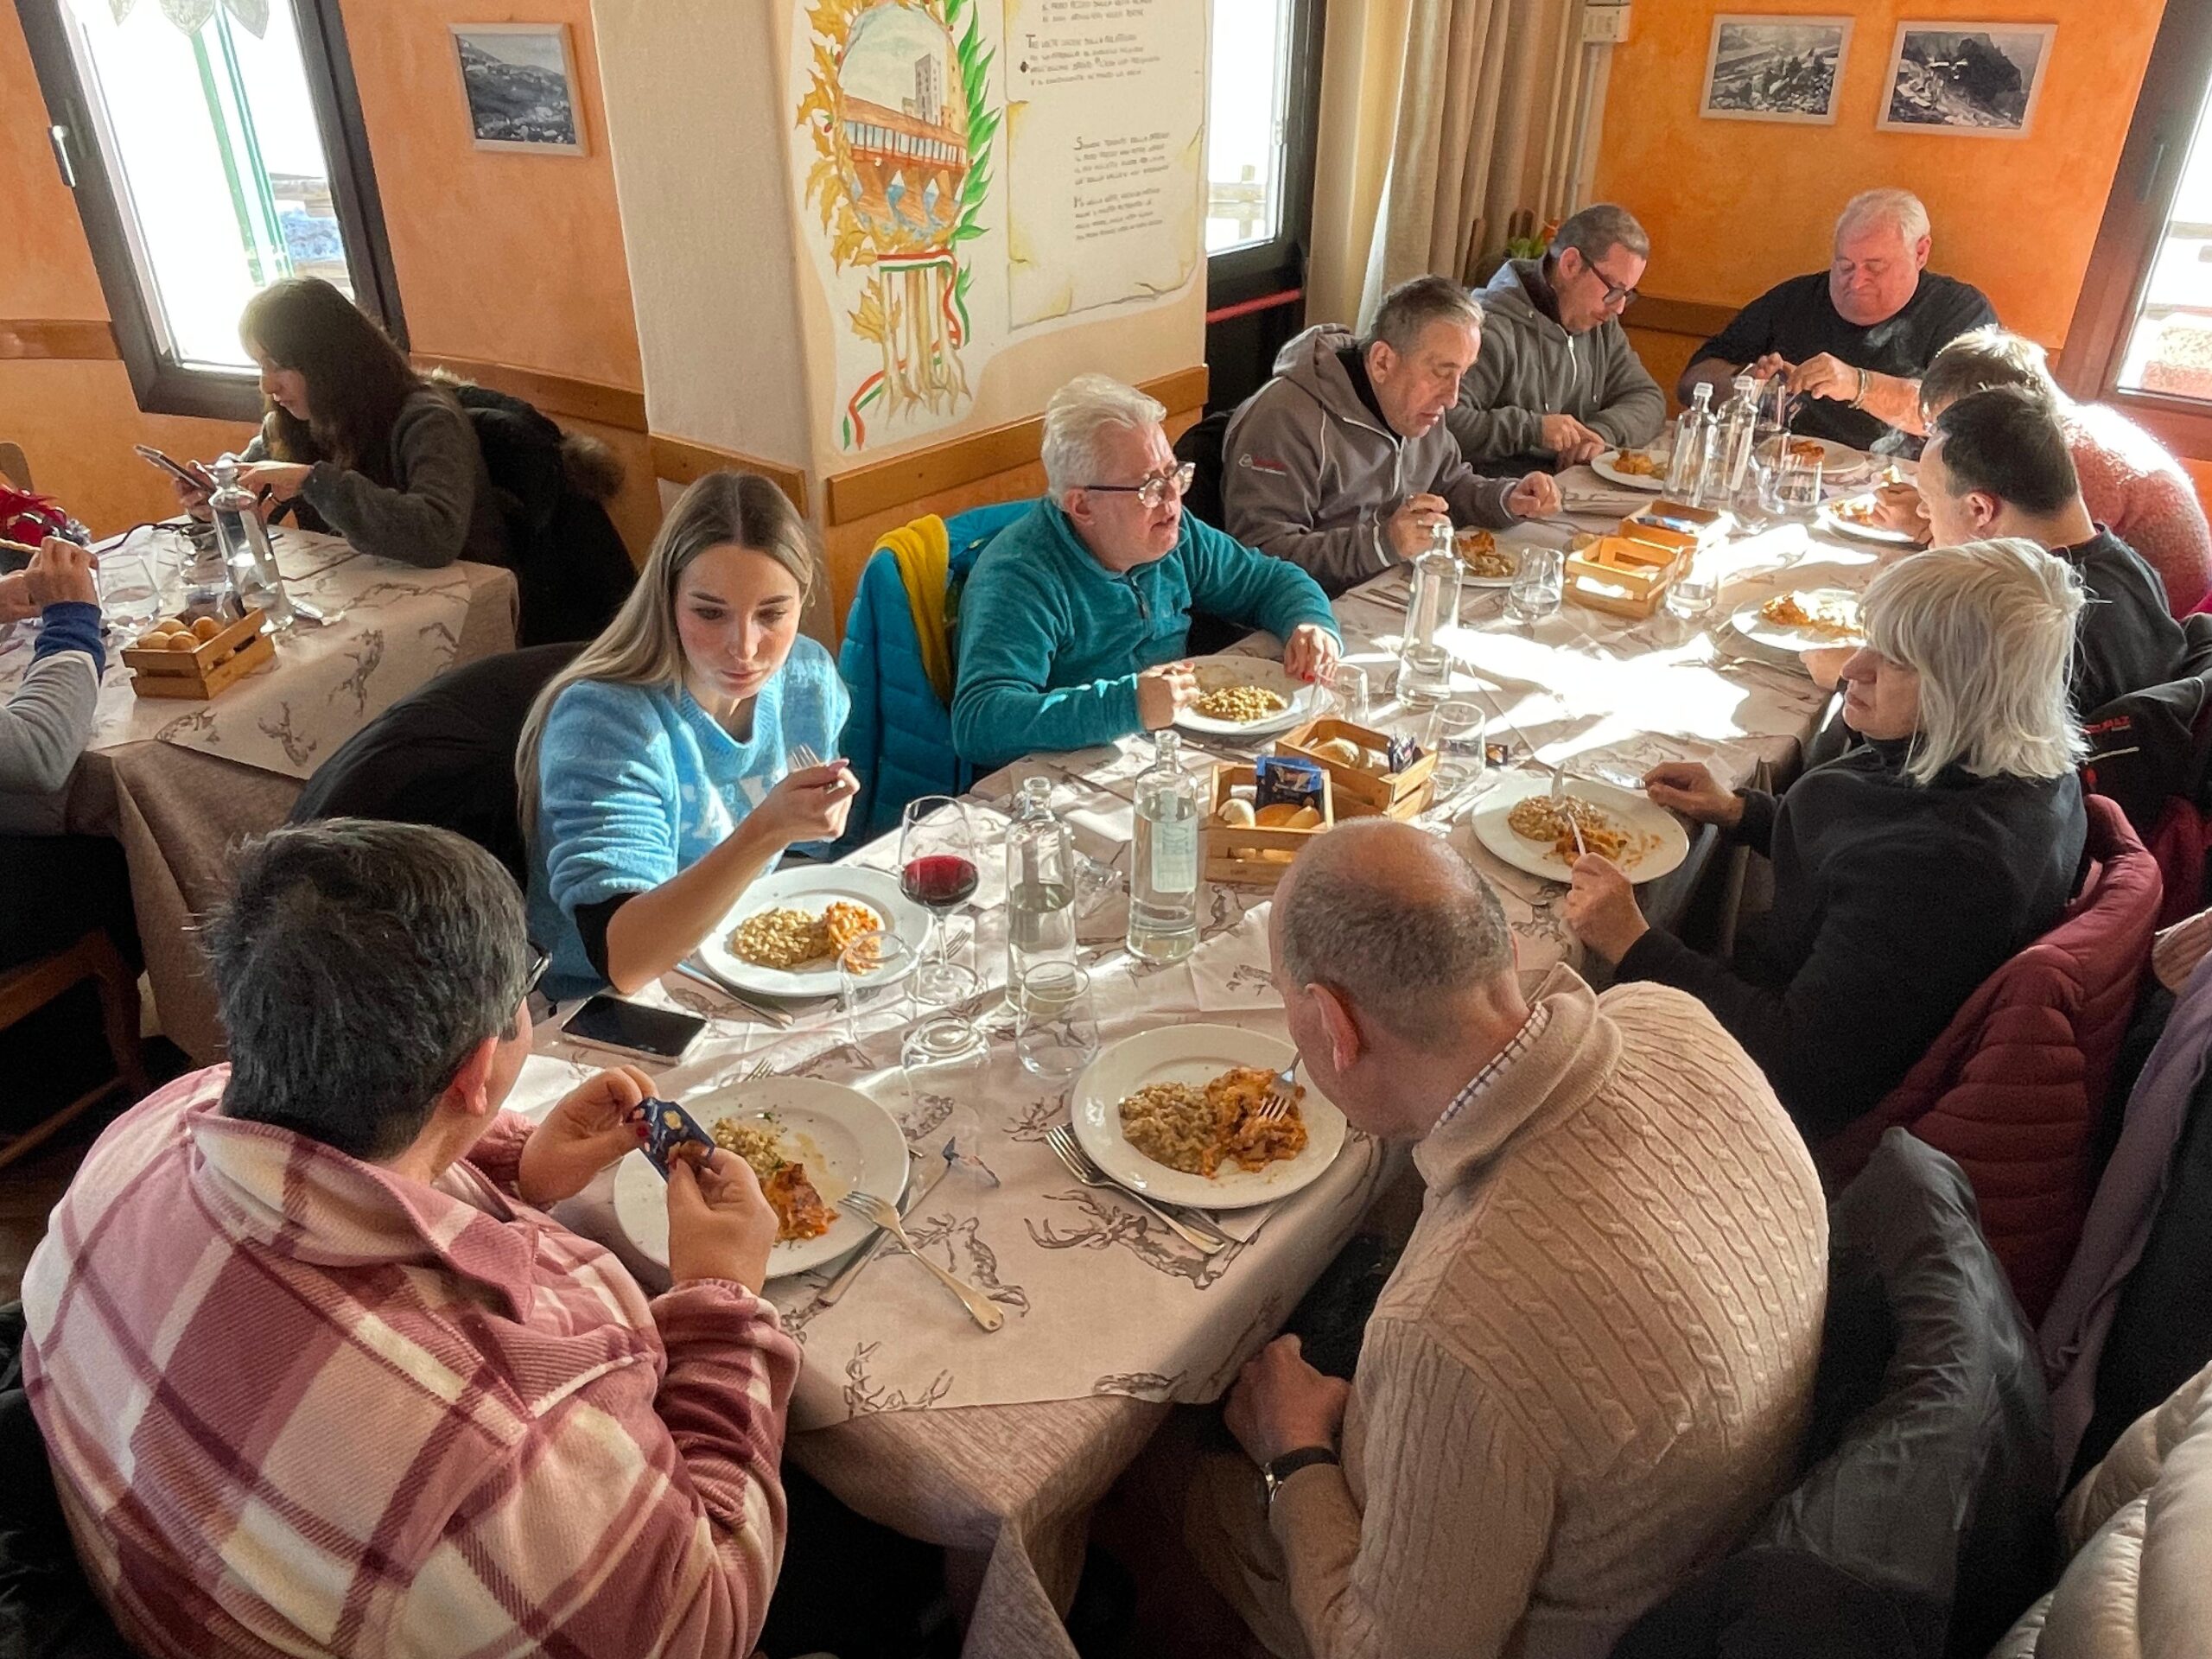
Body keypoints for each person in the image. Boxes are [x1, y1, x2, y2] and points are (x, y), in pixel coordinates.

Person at [20, 819, 798, 1659]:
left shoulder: (159, 1118)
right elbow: (706, 1625)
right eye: (529, 984)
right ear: (475, 1071)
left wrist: (513, 1163)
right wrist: (723, 1297)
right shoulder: (501, 1443)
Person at [1183, 820, 1827, 1659]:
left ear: (1335, 1027)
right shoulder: (1670, 1016)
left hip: (1605, 1627)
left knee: (1164, 1467)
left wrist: (1294, 1450)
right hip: (1731, 1533)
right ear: (1503, 949)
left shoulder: (1448, 1333)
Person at [1567, 539, 2090, 1139]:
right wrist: (1743, 813)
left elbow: (1797, 1066)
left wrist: (1634, 944)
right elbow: (1866, 854)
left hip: (1760, 1102)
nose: (1852, 669)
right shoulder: (2023, 767)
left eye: (1895, 660)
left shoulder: (1944, 872)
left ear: (1968, 688)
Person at [518, 470, 855, 999]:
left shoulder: (807, 677)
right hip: (605, 1004)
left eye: (772, 613)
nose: (744, 648)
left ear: (803, 599)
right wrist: (768, 829)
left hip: (738, 961)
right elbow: (626, 960)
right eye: (710, 613)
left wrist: (813, 816)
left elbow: (803, 860)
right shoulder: (602, 721)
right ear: (667, 598)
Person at [952, 374, 1342, 771]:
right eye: (1149, 488)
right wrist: (1128, 704)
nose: (1173, 499)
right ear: (1082, 506)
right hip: (1063, 777)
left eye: (1174, 474)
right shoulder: (1020, 577)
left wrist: (1309, 622)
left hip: (1167, 751)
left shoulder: (1176, 534)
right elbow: (980, 722)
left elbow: (1269, 581)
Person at [1220, 276, 1563, 597]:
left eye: (1463, 374)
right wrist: (1381, 544)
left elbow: (1449, 484)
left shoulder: (1418, 406)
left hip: (1388, 592)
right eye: (1441, 373)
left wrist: (1507, 498)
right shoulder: (1285, 418)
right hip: (1309, 612)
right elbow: (1260, 555)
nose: (1452, 398)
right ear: (1382, 361)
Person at [1866, 327, 2212, 615]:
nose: (1946, 438)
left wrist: (1929, 528)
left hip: (2154, 630)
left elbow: (2022, 584)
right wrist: (1937, 508)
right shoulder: (2066, 428)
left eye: (1954, 426)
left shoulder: (2070, 459)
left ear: (1997, 408)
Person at [170, 276, 507, 569]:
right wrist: (215, 503)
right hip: (368, 594)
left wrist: (313, 481)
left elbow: (437, 535)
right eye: (261, 366)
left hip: (467, 602)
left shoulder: (428, 419)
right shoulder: (293, 424)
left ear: (329, 362)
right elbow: (250, 506)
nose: (267, 386)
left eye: (278, 366)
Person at [1916, 386, 2188, 716]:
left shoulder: (2024, 614)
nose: (1921, 513)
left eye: (1928, 501)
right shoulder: (2132, 566)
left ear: (1979, 509)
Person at [1680, 189, 1996, 453]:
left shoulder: (1960, 310)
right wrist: (1743, 384)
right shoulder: (1794, 299)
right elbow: (1691, 381)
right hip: (1782, 475)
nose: (1856, 282)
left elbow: (1964, 415)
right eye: (1845, 266)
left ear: (1921, 252)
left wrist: (1857, 385)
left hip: (1900, 492)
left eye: (1874, 267)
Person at [1446, 202, 1667, 472]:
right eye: (1613, 290)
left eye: (1627, 294)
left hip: (1567, 483)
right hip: (1500, 489)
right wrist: (1533, 430)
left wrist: (1600, 433)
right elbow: (1444, 423)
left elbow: (1648, 398)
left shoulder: (1601, 326)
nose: (1619, 308)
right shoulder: (1487, 328)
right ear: (1571, 264)